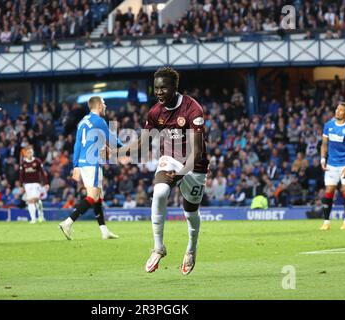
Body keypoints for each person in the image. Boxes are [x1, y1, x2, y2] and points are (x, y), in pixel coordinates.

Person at [118, 67, 209, 275]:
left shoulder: (192, 109)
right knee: (159, 192)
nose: (159, 92)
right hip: (170, 158)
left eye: (163, 88)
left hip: (195, 165)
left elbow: (197, 150)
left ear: (175, 87)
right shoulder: (155, 112)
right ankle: (158, 247)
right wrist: (116, 151)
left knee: (190, 213)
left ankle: (191, 249)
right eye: (156, 88)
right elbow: (142, 142)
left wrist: (181, 174)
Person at [58, 96, 122, 240]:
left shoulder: (83, 122)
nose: (105, 106)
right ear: (99, 105)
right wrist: (128, 147)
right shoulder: (99, 121)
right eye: (104, 103)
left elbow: (77, 144)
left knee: (97, 196)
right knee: (92, 196)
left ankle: (104, 231)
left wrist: (75, 165)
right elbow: (112, 140)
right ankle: (68, 222)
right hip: (92, 162)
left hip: (83, 161)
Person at [319, 102, 345, 230]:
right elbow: (324, 144)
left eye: (341, 110)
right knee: (329, 191)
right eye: (337, 109)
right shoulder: (328, 126)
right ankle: (326, 222)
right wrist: (322, 159)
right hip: (331, 164)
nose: (337, 111)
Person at [20, 145, 49, 223]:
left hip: (36, 183)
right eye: (28, 152)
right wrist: (21, 185)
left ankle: (41, 215)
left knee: (36, 199)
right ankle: (33, 219)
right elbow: (21, 175)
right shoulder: (23, 163)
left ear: (32, 153)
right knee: (30, 200)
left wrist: (46, 183)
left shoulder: (37, 161)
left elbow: (42, 173)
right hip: (27, 184)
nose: (30, 154)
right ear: (25, 154)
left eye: (31, 152)